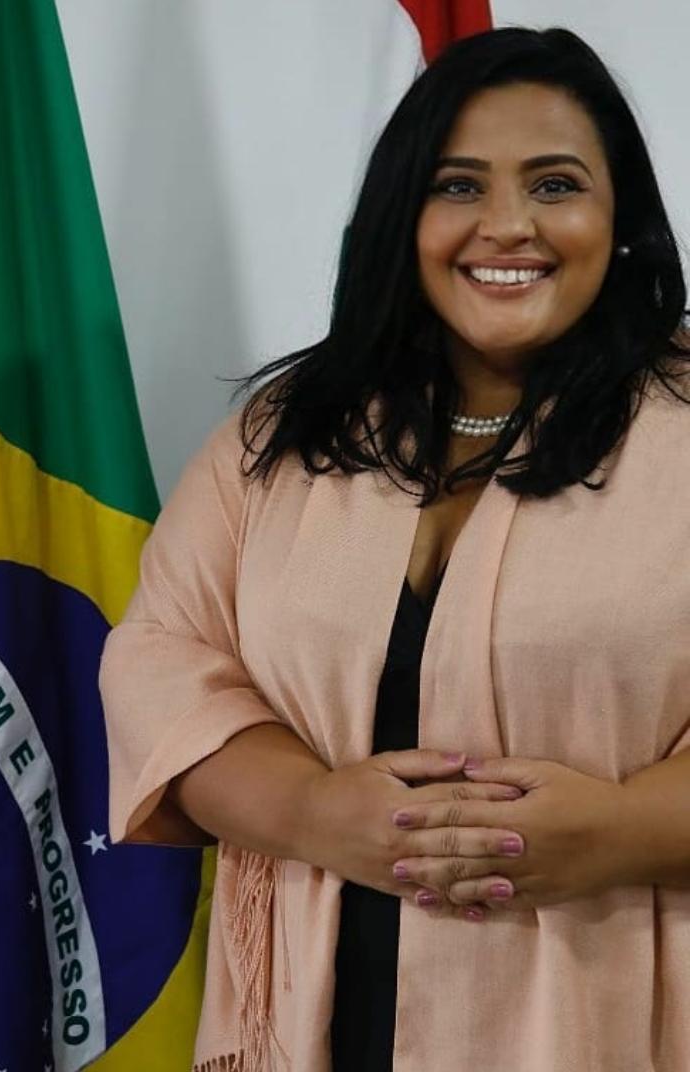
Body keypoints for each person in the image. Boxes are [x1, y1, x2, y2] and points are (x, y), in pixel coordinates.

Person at [99, 26, 690, 1072]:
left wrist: (619, 829)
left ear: (623, 220)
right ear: (402, 214)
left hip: (614, 1010)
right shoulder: (286, 432)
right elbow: (157, 665)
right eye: (458, 186)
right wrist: (312, 810)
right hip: (322, 1013)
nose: (507, 225)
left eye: (556, 185)